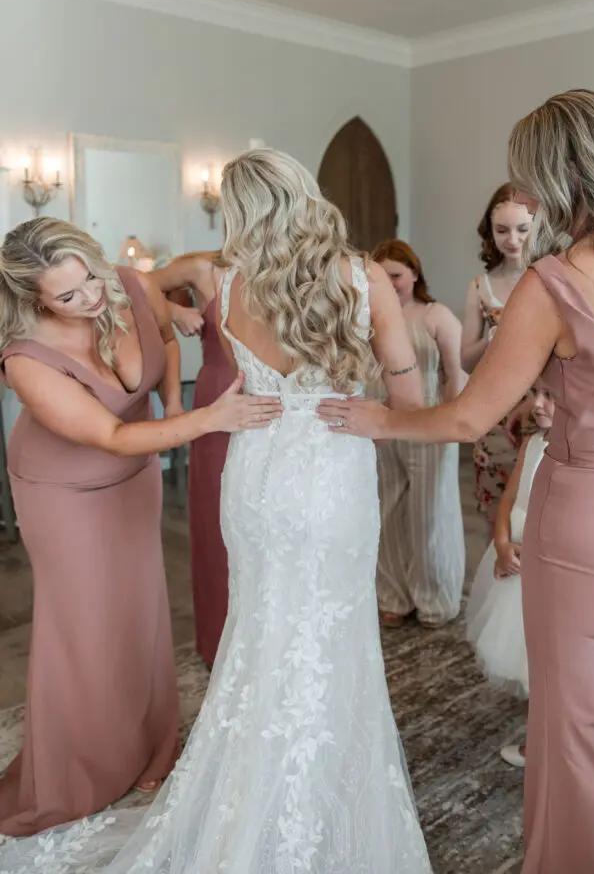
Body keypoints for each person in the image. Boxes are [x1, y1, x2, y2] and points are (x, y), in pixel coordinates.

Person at [319, 90, 594, 874]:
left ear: (560, 178)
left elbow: (468, 417)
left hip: (589, 544)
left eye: (527, 183)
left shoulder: (554, 284)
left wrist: (381, 420)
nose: (525, 202)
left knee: (579, 735)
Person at [0, 152, 433, 873]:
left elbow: (172, 321)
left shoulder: (225, 284)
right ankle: (321, 795)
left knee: (260, 633)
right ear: (307, 196)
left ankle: (244, 797)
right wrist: (380, 409)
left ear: (237, 214)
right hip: (331, 469)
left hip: (258, 469)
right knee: (333, 635)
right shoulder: (363, 280)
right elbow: (411, 405)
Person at [0, 218, 281, 837]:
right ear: (34, 300)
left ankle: (149, 746)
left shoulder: (129, 284)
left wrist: (177, 407)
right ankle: (79, 768)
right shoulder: (25, 360)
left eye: (91, 281)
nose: (92, 299)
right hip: (66, 491)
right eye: (67, 297)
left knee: (140, 609)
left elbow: (165, 342)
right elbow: (112, 434)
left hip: (137, 475)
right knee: (84, 624)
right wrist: (208, 419)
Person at [371, 239, 466, 628]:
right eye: (382, 276)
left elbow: (456, 374)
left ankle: (435, 599)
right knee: (387, 510)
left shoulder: (435, 315)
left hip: (427, 421)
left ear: (414, 273)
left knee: (429, 512)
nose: (391, 284)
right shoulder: (368, 318)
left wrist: (447, 421)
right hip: (380, 422)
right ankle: (394, 595)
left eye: (396, 275)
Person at [465, 384, 555, 769]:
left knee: (548, 664)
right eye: (537, 393)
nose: (536, 404)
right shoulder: (533, 445)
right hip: (512, 566)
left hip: (544, 570)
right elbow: (508, 499)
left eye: (549, 395)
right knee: (531, 665)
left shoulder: (573, 456)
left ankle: (546, 748)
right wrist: (502, 545)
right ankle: (542, 740)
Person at [151, 251, 233, 667]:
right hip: (220, 395)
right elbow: (127, 286)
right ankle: (221, 645)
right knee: (219, 522)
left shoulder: (286, 264)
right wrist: (173, 309)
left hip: (279, 402)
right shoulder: (204, 268)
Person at [460, 184, 534, 529]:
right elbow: (466, 361)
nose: (513, 240)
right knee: (497, 524)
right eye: (502, 230)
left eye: (522, 229)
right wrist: (492, 338)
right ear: (489, 233)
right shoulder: (480, 287)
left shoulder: (548, 281)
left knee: (539, 519)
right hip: (495, 415)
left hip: (543, 410)